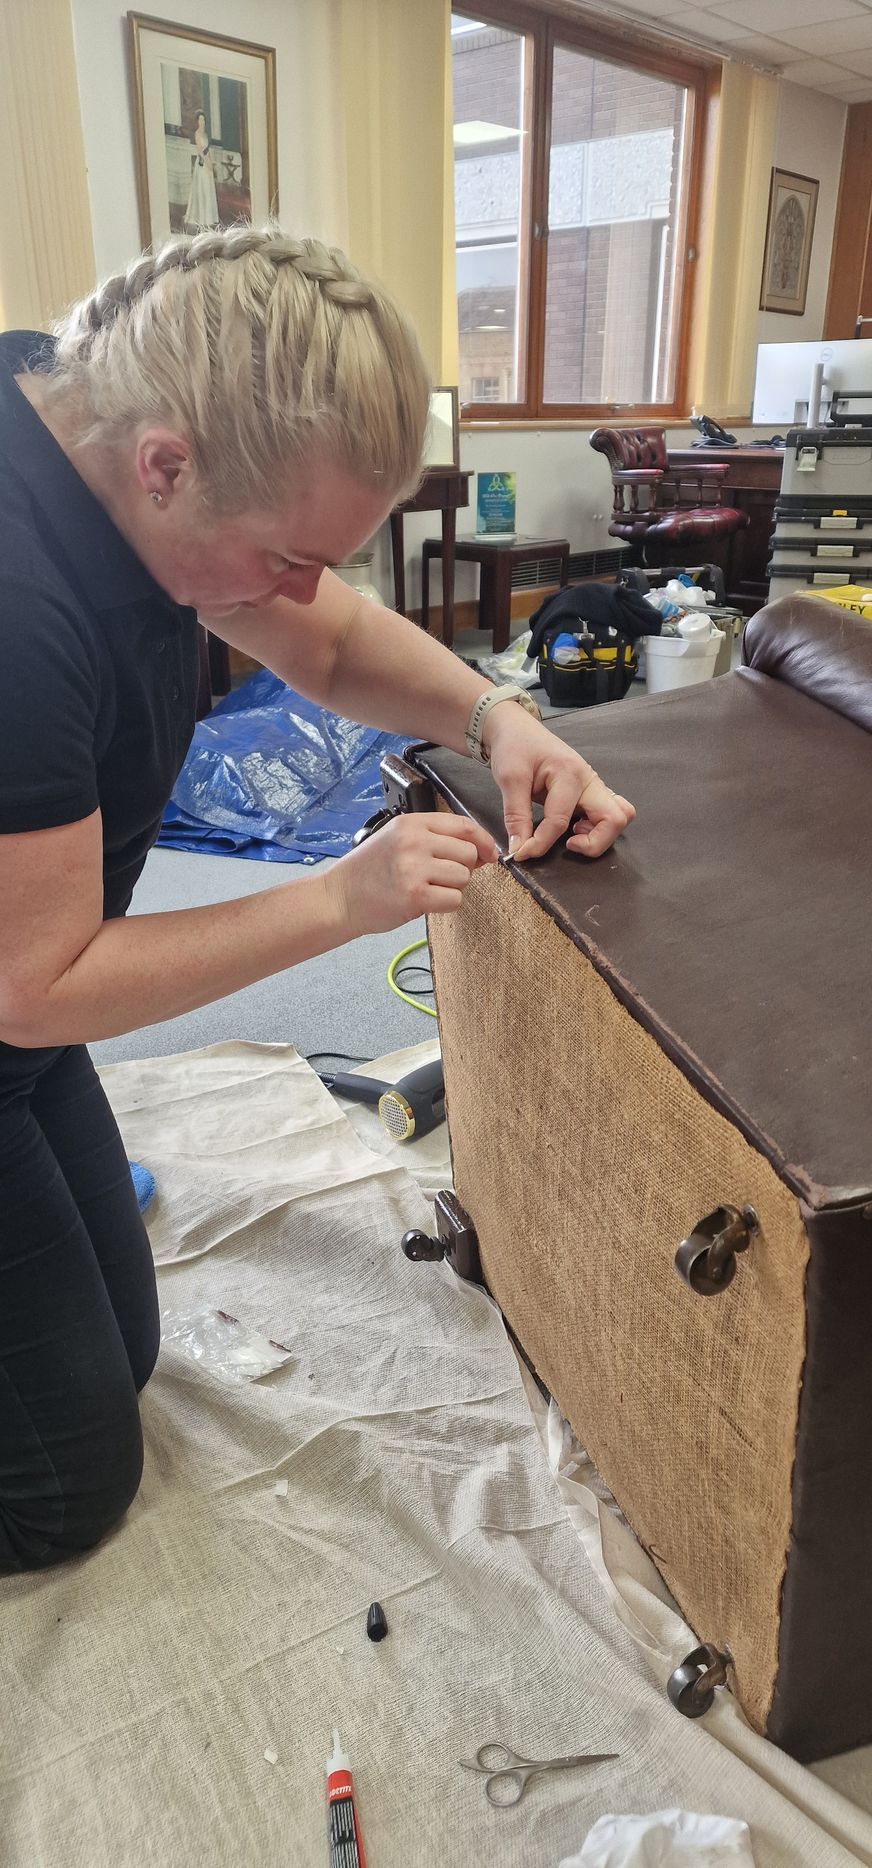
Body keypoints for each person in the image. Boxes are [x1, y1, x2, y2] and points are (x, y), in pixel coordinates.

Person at [0, 224, 634, 1575]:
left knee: (125, 1351)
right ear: (165, 465)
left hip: (21, 1034)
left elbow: (331, 637)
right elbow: (35, 981)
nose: (303, 594)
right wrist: (342, 901)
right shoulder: (19, 607)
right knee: (63, 1490)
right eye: (289, 555)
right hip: (17, 993)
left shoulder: (97, 432)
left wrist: (493, 714)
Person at [183, 110, 219, 232]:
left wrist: (211, 163)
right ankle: (201, 220)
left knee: (208, 190)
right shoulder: (197, 134)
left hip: (207, 163)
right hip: (201, 164)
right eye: (200, 120)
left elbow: (208, 150)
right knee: (202, 190)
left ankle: (208, 220)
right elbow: (200, 151)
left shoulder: (206, 134)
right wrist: (207, 162)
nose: (202, 122)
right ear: (197, 121)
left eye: (203, 120)